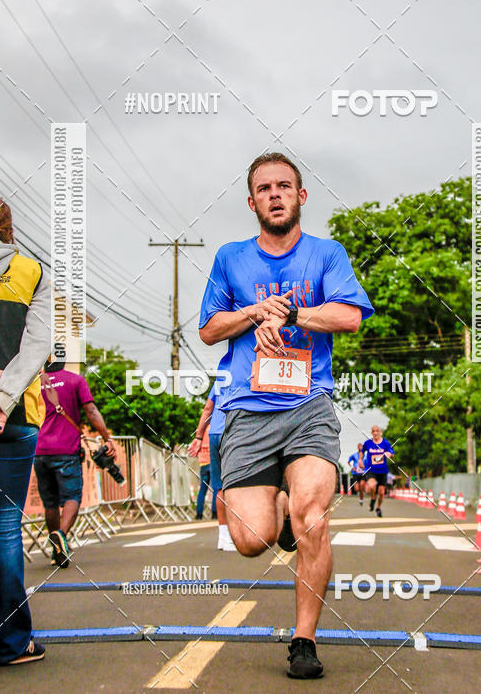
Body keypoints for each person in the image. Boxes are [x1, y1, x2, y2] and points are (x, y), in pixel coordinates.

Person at [198, 152, 373, 679]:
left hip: (308, 406)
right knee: (250, 539)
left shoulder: (326, 254)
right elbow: (208, 330)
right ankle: (279, 501)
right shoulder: (231, 258)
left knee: (313, 519)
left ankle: (303, 640)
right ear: (252, 202)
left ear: (300, 196)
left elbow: (349, 316)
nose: (275, 194)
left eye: (285, 186)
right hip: (248, 412)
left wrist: (293, 312)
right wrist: (254, 313)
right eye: (265, 188)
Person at [0, 195, 51, 668]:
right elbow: (39, 345)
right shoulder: (34, 271)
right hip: (15, 416)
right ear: (8, 227)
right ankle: (11, 643)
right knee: (5, 531)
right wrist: (2, 398)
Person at [34, 362, 115, 567]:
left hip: (39, 451)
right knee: (71, 497)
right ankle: (61, 534)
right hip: (65, 450)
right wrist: (107, 437)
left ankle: (57, 551)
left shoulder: (35, 383)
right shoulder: (76, 380)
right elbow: (91, 409)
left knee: (50, 503)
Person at [189, 386, 236, 551]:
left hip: (214, 433)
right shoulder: (247, 372)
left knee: (219, 487)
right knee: (236, 486)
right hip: (232, 433)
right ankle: (234, 535)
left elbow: (208, 408)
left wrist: (198, 437)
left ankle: (223, 537)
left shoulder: (221, 379)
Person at [361, 425, 394, 517]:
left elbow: (392, 452)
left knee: (381, 492)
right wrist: (360, 460)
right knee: (372, 485)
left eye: (377, 431)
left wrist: (389, 454)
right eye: (373, 431)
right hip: (371, 470)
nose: (375, 433)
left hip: (383, 471)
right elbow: (362, 451)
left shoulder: (385, 443)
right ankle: (372, 499)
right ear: (371, 433)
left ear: (380, 432)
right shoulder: (368, 443)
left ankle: (378, 508)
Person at [195, 425, 211, 520]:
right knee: (216, 488)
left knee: (202, 490)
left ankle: (199, 514)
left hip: (203, 463)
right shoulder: (213, 428)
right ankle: (215, 513)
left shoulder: (200, 430)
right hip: (212, 461)